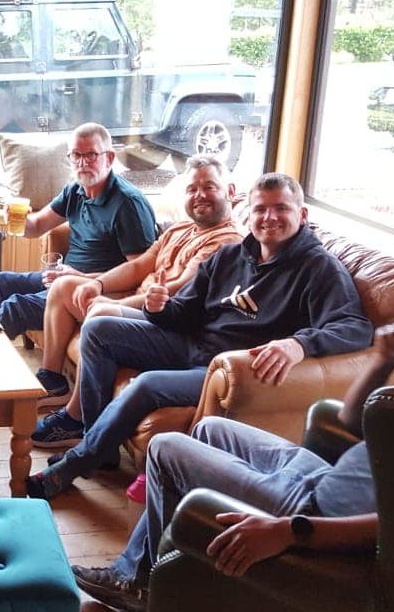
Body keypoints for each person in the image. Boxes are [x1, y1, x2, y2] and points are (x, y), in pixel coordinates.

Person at [70, 272, 394, 612]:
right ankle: (176, 565)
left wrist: (292, 530)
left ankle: (139, 583)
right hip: (322, 478)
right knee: (209, 429)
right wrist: (385, 361)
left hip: (314, 509)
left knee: (166, 447)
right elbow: (351, 420)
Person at [27, 173, 374, 500]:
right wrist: (159, 308)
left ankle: (77, 462)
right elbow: (186, 312)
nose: (269, 217)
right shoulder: (231, 256)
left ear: (302, 214)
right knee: (98, 329)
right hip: (191, 342)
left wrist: (298, 344)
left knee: (147, 384)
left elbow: (353, 327)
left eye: (280, 208)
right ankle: (99, 447)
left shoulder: (319, 268)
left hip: (226, 368)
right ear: (249, 213)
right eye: (260, 209)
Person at [30, 155, 242, 427]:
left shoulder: (227, 242)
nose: (199, 195)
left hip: (167, 318)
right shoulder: (182, 228)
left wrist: (113, 304)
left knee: (100, 314)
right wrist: (98, 284)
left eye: (209, 187)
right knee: (64, 287)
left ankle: (76, 417)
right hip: (139, 299)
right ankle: (53, 380)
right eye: (192, 189)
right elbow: (140, 265)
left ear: (230, 191)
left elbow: (175, 292)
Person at [0, 122, 156, 346]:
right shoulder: (74, 191)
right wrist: (18, 220)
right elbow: (36, 226)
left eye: (91, 155)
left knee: (15, 307)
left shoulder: (128, 204)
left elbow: (141, 272)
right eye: (76, 155)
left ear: (109, 158)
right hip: (63, 278)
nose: (83, 163)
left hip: (94, 289)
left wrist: (80, 277)